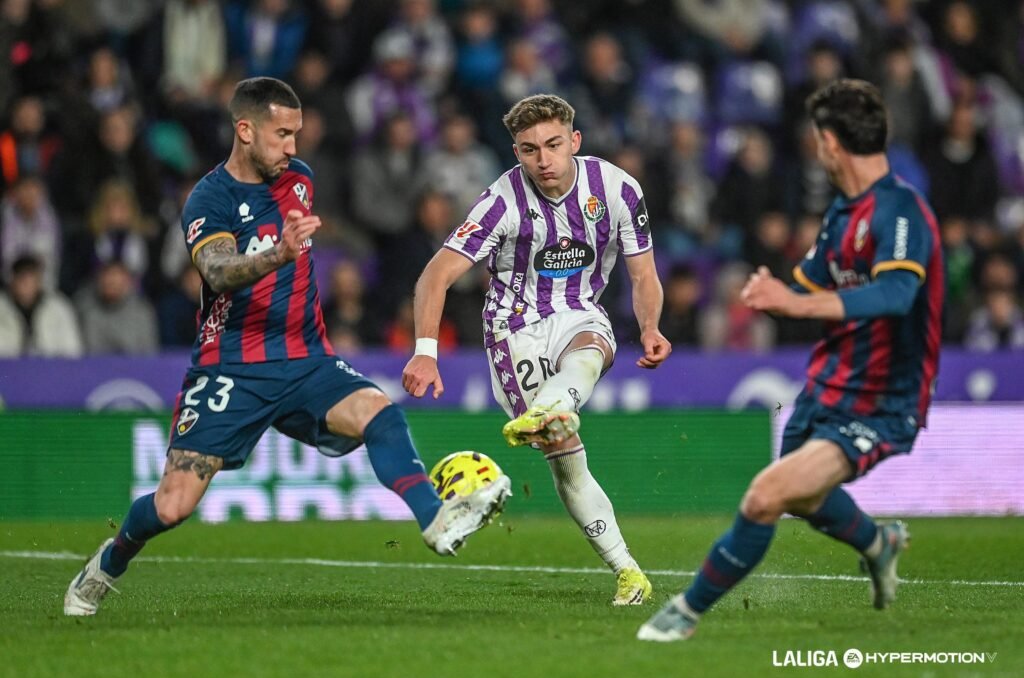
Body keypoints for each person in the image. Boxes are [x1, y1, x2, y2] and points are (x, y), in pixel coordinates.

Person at [64, 77, 510, 617]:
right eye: (282, 134)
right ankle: (110, 561)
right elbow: (217, 271)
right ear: (245, 130)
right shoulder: (209, 198)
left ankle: (433, 518)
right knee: (173, 506)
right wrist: (280, 253)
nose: (293, 147)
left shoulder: (299, 178)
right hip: (232, 368)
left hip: (305, 357)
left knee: (379, 412)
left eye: (297, 134)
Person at [638, 79, 944, 641]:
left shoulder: (901, 211)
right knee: (804, 499)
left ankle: (683, 614)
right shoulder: (840, 215)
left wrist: (794, 300)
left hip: (882, 399)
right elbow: (803, 284)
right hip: (827, 385)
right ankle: (880, 543)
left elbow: (895, 296)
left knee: (766, 496)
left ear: (829, 143)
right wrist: (768, 287)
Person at [402, 94, 672, 605]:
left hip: (577, 310)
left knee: (592, 344)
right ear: (516, 152)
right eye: (529, 150)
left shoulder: (616, 189)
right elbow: (436, 275)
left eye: (552, 145)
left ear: (575, 141)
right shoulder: (501, 201)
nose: (543, 160)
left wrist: (652, 326)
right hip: (513, 329)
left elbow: (644, 273)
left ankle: (557, 403)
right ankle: (627, 567)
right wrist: (425, 350)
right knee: (565, 458)